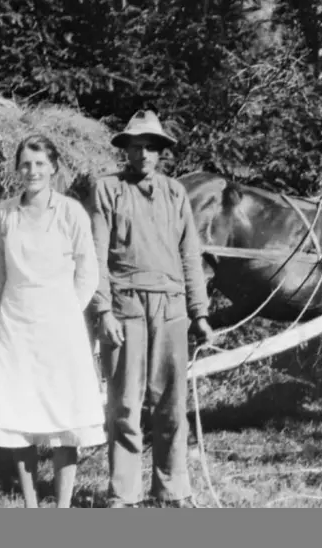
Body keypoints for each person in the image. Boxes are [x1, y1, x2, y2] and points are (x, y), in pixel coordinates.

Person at [88, 109, 214, 508]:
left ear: (161, 153)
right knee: (124, 401)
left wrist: (200, 314)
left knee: (170, 402)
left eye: (151, 148)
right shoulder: (107, 190)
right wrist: (103, 311)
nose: (143, 154)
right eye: (136, 147)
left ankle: (172, 487)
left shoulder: (176, 193)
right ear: (125, 150)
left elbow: (190, 256)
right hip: (126, 304)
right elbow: (95, 256)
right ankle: (122, 490)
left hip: (171, 306)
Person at [0, 134, 105, 508]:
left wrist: (68, 310)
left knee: (64, 418)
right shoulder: (5, 212)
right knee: (20, 416)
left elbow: (88, 271)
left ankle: (63, 505)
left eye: (39, 164)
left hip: (61, 326)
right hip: (15, 326)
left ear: (53, 167)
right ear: (17, 169)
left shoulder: (71, 212)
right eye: (25, 164)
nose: (32, 171)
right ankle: (31, 505)